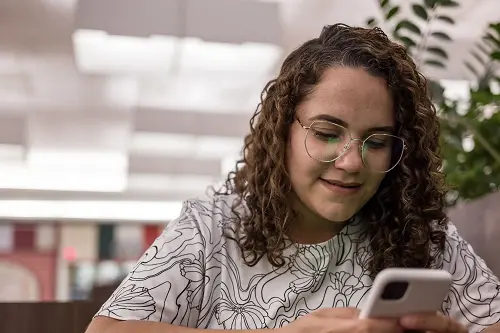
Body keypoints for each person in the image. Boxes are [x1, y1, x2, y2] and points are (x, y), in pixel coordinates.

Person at [85, 24, 500, 333]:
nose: (352, 162)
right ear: (283, 131)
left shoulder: (425, 238)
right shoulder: (209, 230)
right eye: (326, 133)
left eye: (377, 142)